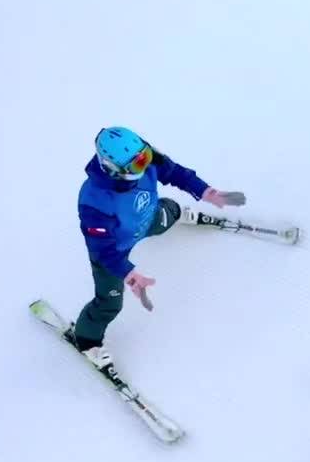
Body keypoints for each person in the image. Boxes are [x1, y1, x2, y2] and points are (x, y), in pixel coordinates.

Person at [67, 126, 245, 368]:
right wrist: (129, 273)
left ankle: (179, 213)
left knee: (169, 213)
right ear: (113, 169)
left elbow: (174, 172)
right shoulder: (94, 202)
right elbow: (103, 249)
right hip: (115, 252)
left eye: (145, 157)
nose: (146, 164)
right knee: (109, 303)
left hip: (147, 218)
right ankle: (87, 340)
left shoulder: (144, 156)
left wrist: (205, 191)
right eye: (139, 164)